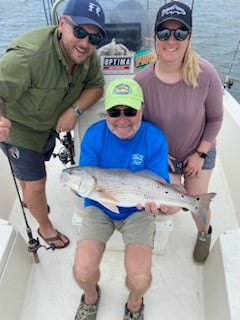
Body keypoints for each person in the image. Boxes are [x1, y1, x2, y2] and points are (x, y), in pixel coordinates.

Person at [0, 0, 106, 249]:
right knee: (37, 183)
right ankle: (45, 228)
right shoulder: (28, 56)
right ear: (62, 24)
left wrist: (75, 110)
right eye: (79, 32)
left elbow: (96, 86)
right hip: (20, 128)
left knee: (29, 178)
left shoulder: (88, 56)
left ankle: (30, 198)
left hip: (49, 125)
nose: (85, 43)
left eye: (94, 38)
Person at [73, 78, 171, 320]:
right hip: (99, 205)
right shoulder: (94, 135)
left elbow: (159, 186)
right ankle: (91, 297)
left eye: (130, 111)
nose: (122, 118)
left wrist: (164, 207)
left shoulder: (154, 138)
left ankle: (135, 303)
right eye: (114, 111)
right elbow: (85, 179)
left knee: (139, 277)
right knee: (82, 271)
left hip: (138, 209)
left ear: (142, 110)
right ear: (106, 112)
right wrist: (76, 186)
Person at [134, 1, 223, 263]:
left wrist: (200, 153)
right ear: (155, 37)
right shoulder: (141, 81)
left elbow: (216, 118)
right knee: (169, 206)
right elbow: (141, 128)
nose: (171, 40)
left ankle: (204, 233)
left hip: (199, 151)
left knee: (199, 203)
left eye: (180, 33)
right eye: (164, 33)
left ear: (189, 37)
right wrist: (160, 157)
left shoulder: (206, 73)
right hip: (165, 157)